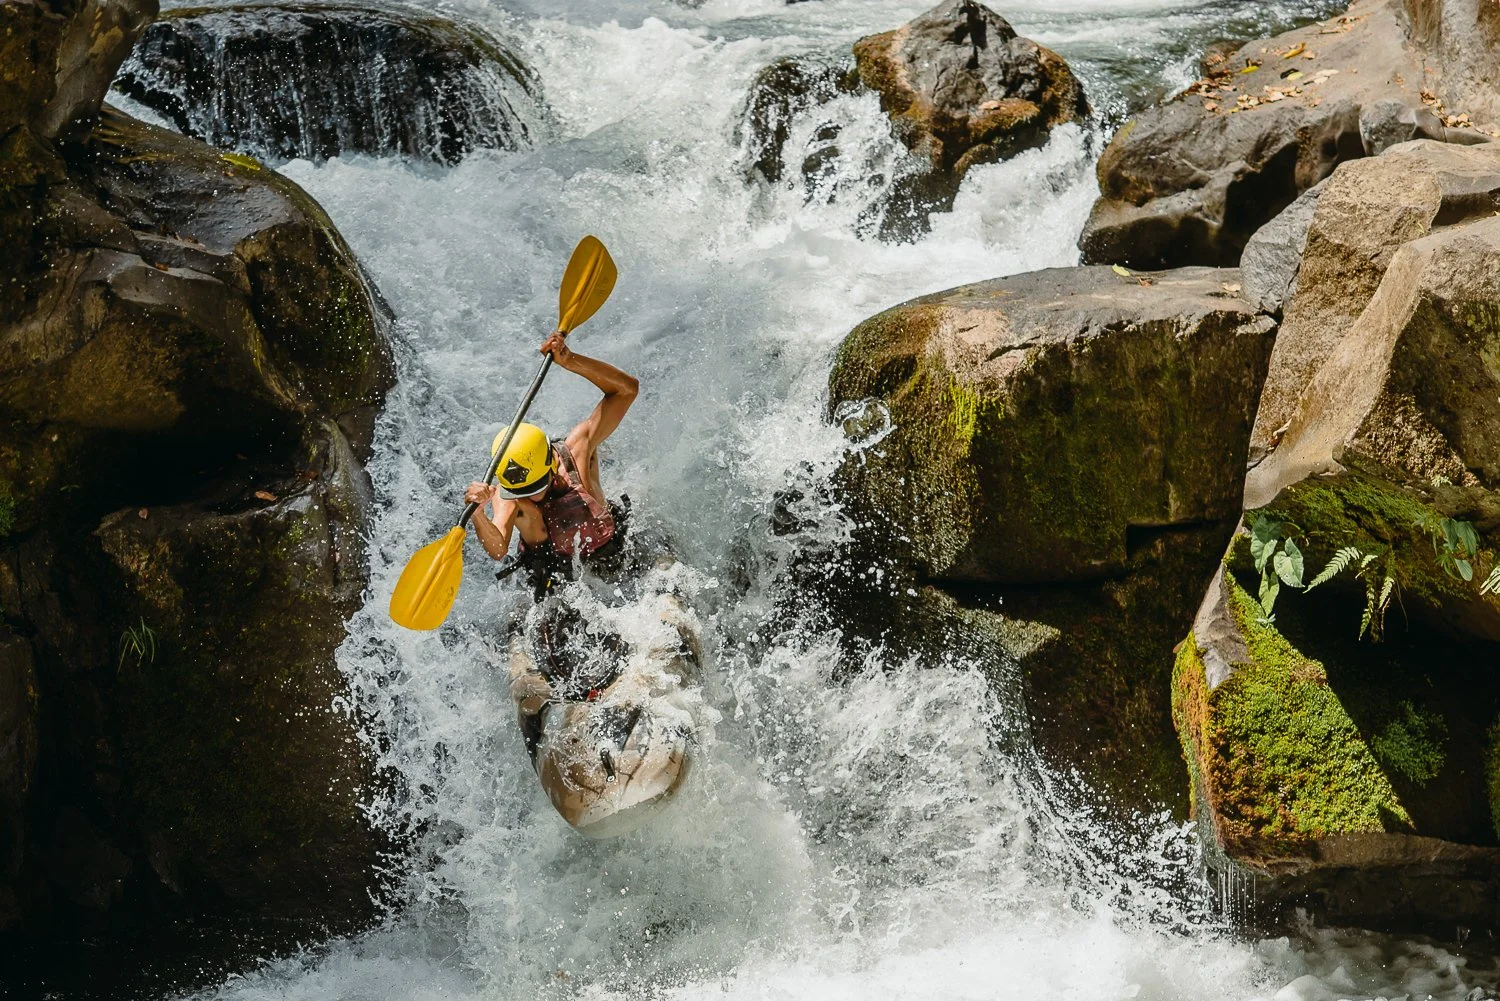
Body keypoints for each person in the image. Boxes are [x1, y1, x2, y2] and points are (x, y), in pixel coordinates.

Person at [464, 330, 638, 593]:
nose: (531, 498)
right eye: (522, 492)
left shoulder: (578, 449)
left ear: (552, 464)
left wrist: (570, 361)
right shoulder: (509, 496)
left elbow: (626, 391)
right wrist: (478, 514)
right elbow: (498, 549)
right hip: (553, 577)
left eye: (535, 489)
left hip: (612, 552)